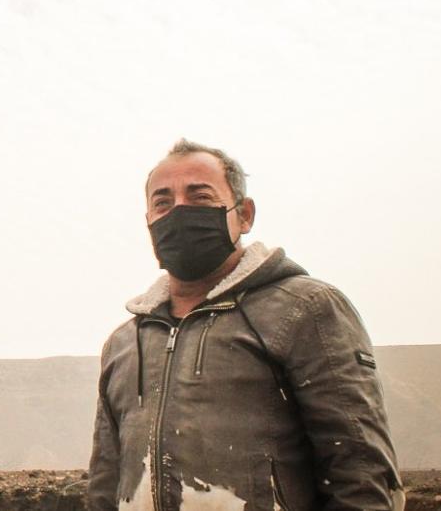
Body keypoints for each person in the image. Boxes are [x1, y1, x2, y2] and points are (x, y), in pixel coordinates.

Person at [88, 139, 404, 511]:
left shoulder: (305, 310)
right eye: (163, 202)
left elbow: (360, 472)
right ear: (149, 222)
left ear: (245, 214)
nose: (178, 211)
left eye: (200, 196)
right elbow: (106, 483)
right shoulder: (126, 343)